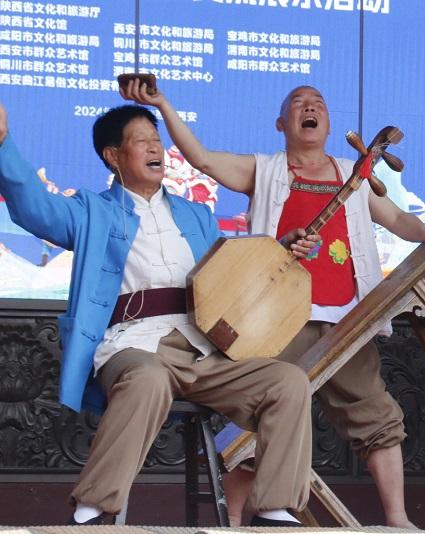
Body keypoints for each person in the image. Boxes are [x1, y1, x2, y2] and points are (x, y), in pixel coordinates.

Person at [121, 80, 425, 528]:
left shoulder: (353, 173)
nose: (309, 107)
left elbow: (395, 218)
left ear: (328, 123)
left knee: (375, 413)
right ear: (281, 123)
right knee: (260, 417)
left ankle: (397, 519)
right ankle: (234, 522)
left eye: (318, 103)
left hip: (345, 320)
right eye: (298, 103)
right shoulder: (265, 170)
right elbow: (203, 159)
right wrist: (162, 103)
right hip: (274, 319)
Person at [0, 102, 314, 527]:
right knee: (146, 378)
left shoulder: (196, 215)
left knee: (288, 381)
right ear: (113, 155)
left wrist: (279, 250)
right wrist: (3, 143)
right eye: (142, 140)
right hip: (133, 346)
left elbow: (233, 272)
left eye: (157, 140)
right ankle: (94, 510)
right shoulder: (92, 211)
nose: (155, 148)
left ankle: (275, 510)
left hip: (203, 349)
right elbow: (34, 206)